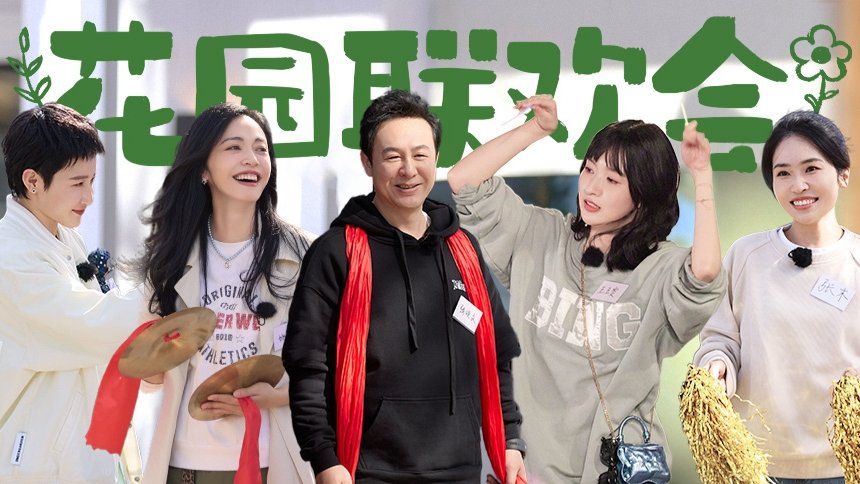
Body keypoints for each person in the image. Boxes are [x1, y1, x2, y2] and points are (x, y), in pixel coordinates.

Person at [447, 95, 726, 482]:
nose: (592, 188)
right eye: (589, 169)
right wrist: (536, 129)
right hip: (529, 468)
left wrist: (703, 178)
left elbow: (705, 273)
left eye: (612, 180)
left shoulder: (658, 267)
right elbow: (464, 181)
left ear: (643, 195)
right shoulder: (543, 234)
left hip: (614, 468)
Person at [283, 90, 526, 484]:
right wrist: (325, 460)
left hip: (461, 469)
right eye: (393, 156)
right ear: (367, 162)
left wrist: (510, 439)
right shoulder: (337, 252)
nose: (408, 170)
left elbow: (497, 351)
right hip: (366, 471)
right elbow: (307, 367)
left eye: (420, 155)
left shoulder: (462, 249)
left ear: (436, 157)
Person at [132, 103, 314, 483]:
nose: (252, 159)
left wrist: (276, 396)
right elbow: (149, 378)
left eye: (261, 149)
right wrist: (152, 359)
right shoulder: (170, 258)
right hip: (184, 464)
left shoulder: (304, 255)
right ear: (203, 168)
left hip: (271, 462)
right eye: (234, 147)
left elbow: (341, 365)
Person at [694, 110, 857, 484]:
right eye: (783, 173)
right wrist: (716, 365)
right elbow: (720, 339)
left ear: (842, 173)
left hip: (846, 465)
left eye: (811, 168)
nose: (798, 185)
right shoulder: (747, 256)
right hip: (758, 465)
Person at [0, 103, 144, 483]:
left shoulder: (62, 236)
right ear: (32, 181)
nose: (89, 197)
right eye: (78, 183)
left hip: (75, 452)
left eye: (92, 181)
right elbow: (91, 325)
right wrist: (164, 287)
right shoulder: (12, 257)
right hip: (35, 463)